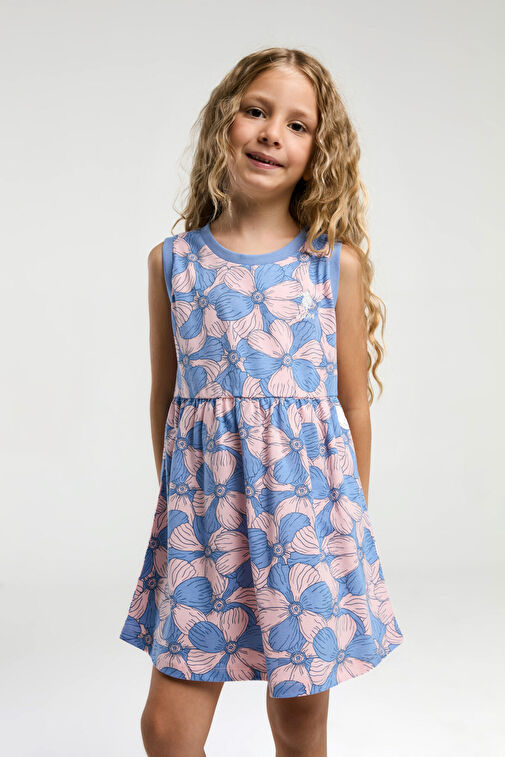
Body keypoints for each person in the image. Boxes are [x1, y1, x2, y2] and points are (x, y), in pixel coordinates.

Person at [119, 46, 405, 757]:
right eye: (256, 111)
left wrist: (348, 527)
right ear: (225, 121)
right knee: (165, 728)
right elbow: (167, 397)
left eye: (297, 124)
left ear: (318, 154)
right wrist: (181, 506)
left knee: (299, 728)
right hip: (202, 528)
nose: (273, 133)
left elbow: (353, 405)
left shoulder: (331, 264)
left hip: (307, 528)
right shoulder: (174, 263)